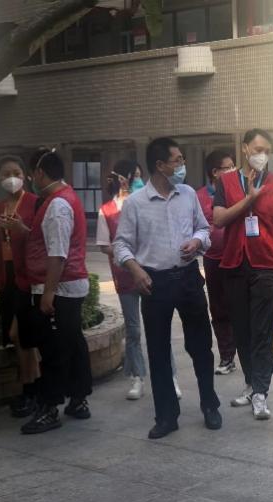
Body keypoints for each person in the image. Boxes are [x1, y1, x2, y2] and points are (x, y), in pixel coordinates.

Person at [113, 137, 221, 439]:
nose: (182, 165)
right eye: (178, 160)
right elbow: (121, 244)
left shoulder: (188, 194)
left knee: (201, 346)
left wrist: (197, 241)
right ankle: (166, 416)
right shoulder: (136, 203)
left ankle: (210, 405)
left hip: (188, 278)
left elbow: (204, 228)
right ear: (160, 165)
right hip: (154, 283)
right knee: (158, 351)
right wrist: (135, 269)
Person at [213, 128, 273, 420]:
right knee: (242, 330)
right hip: (234, 263)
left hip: (265, 265)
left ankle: (261, 392)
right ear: (245, 148)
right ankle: (250, 383)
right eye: (258, 149)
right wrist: (248, 200)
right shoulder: (226, 181)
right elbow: (218, 219)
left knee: (262, 331)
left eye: (267, 151)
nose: (262, 155)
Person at [19, 149, 93, 435]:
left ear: (39, 173)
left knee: (53, 350)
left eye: (31, 174)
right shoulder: (65, 197)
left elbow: (57, 254)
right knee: (73, 344)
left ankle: (50, 408)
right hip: (68, 286)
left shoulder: (57, 205)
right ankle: (79, 399)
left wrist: (48, 293)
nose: (30, 179)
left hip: (59, 288)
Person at [96, 159, 181, 400]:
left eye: (138, 175)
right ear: (120, 178)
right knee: (133, 330)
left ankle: (170, 376)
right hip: (125, 276)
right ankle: (137, 377)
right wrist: (128, 257)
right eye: (133, 175)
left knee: (160, 327)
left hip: (153, 273)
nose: (137, 180)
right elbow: (104, 245)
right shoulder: (107, 210)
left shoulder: (147, 203)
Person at [0, 155, 40, 418]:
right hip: (7, 277)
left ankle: (32, 390)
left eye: (16, 173)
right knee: (17, 337)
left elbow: (41, 241)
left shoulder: (35, 203)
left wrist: (21, 228)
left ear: (25, 175)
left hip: (28, 277)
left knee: (20, 334)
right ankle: (32, 388)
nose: (11, 178)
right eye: (6, 174)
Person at [197, 151, 237, 375]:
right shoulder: (199, 196)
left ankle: (244, 350)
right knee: (219, 308)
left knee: (239, 306)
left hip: (236, 257)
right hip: (213, 259)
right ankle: (226, 356)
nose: (232, 170)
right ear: (215, 172)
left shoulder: (236, 192)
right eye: (227, 167)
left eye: (233, 166)